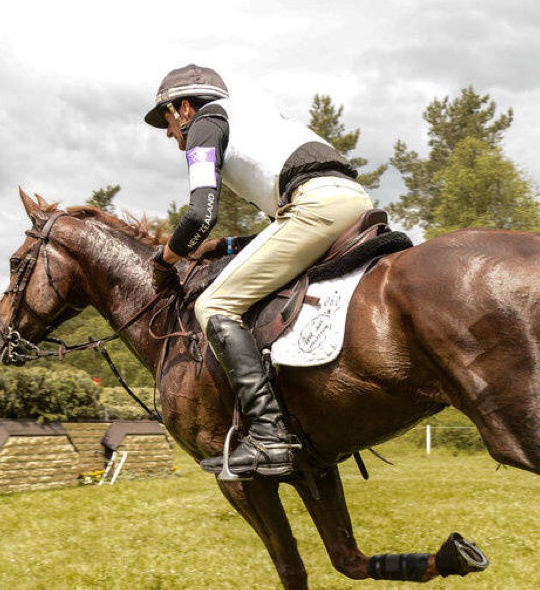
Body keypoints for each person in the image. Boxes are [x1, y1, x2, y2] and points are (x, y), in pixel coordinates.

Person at [144, 64, 373, 479]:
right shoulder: (256, 116)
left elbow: (200, 214)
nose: (168, 133)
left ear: (182, 109)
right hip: (354, 200)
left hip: (315, 206)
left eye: (166, 120)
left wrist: (166, 259)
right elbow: (277, 223)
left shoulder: (204, 123)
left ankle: (269, 436)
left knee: (214, 304)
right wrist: (226, 246)